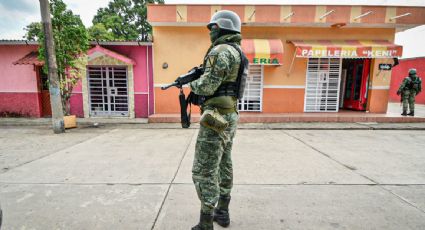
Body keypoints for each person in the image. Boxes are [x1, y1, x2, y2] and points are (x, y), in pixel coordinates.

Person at [189, 10, 244, 230]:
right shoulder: (237, 51)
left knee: (204, 169)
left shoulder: (220, 50)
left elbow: (208, 85)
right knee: (224, 163)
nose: (210, 31)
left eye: (213, 27)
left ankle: (205, 222)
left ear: (221, 28)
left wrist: (190, 84)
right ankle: (223, 212)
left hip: (215, 117)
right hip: (230, 115)